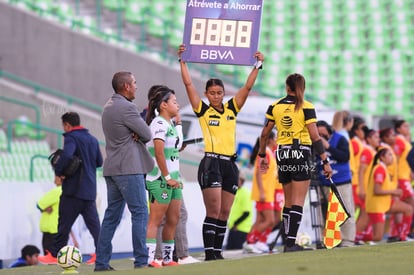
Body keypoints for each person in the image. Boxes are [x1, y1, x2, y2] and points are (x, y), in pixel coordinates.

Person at [177, 44, 264, 260]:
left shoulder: (232, 108)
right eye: (212, 93)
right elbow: (188, 84)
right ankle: (210, 254)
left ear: (224, 94)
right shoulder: (203, 110)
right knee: (213, 211)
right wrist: (183, 61)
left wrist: (258, 65)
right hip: (211, 163)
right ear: (206, 94)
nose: (216, 96)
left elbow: (247, 88)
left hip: (229, 165)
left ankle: (218, 252)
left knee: (225, 212)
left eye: (219, 93)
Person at [257, 73, 333, 252]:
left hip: (282, 153)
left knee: (289, 201)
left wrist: (261, 155)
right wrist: (325, 161)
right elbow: (315, 137)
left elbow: (264, 134)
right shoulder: (306, 106)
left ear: (287, 87)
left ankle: (288, 242)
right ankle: (290, 244)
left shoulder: (274, 106)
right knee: (298, 200)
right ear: (302, 87)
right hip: (300, 152)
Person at [95, 71, 154, 271]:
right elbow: (146, 133)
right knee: (140, 213)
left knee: (111, 216)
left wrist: (134, 132)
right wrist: (137, 132)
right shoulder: (127, 107)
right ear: (126, 86)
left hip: (112, 167)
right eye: (134, 83)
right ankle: (141, 261)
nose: (137, 86)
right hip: (129, 168)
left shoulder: (108, 105)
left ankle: (101, 262)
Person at [38, 112, 103, 265]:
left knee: (64, 224)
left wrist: (59, 173)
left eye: (64, 126)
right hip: (89, 191)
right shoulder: (93, 140)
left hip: (73, 191)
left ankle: (54, 254)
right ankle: (102, 254)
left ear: (67, 125)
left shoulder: (71, 137)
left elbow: (66, 156)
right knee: (95, 226)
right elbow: (99, 162)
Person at [144, 86, 183, 267]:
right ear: (164, 105)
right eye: (174, 102)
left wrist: (179, 122)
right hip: (160, 179)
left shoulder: (170, 125)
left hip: (174, 180)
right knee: (155, 220)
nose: (178, 105)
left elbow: (178, 146)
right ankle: (150, 259)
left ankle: (167, 259)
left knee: (174, 219)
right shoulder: (158, 124)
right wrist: (167, 178)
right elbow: (159, 153)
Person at [316, 120, 355, 247]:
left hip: (341, 181)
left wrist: (328, 147)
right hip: (322, 182)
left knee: (345, 209)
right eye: (318, 134)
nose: (321, 136)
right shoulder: (313, 142)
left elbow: (345, 156)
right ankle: (325, 239)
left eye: (323, 133)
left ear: (329, 131)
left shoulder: (340, 139)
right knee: (322, 212)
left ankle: (347, 240)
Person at [365, 147, 413, 242]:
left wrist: (394, 193)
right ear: (382, 157)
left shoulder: (383, 168)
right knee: (377, 237)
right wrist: (394, 192)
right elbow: (377, 190)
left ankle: (402, 236)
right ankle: (355, 237)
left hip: (385, 203)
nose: (392, 157)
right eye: (389, 155)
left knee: (408, 209)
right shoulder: (380, 169)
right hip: (377, 206)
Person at [244, 132, 277, 253]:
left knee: (259, 220)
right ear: (270, 140)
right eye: (275, 139)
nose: (276, 141)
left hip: (267, 191)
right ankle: (251, 241)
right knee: (270, 220)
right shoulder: (265, 153)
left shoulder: (268, 152)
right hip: (264, 192)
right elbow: (258, 173)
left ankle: (253, 243)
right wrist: (262, 191)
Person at [226, 172, 253, 250]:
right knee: (229, 252)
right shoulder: (235, 191)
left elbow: (246, 213)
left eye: (238, 179)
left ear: (242, 181)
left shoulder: (245, 193)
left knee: (236, 252)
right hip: (234, 228)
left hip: (240, 229)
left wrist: (235, 223)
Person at [36, 176, 62, 255]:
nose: (54, 180)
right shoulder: (70, 191)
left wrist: (43, 208)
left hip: (51, 229)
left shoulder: (58, 191)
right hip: (61, 228)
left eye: (56, 177)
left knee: (50, 258)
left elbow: (39, 204)